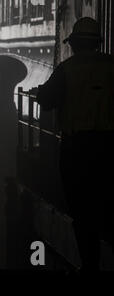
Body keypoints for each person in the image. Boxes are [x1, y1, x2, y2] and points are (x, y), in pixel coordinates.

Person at [34, 17, 114, 272]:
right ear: (98, 43)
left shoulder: (67, 69)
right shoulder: (112, 65)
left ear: (74, 44)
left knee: (81, 208)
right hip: (110, 146)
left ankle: (89, 264)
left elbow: (46, 101)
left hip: (77, 148)